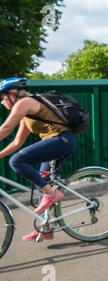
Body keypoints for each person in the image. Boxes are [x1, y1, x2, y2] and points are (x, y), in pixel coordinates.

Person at [0, 77, 77, 241]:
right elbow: (16, 143)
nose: (2, 102)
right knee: (42, 183)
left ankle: (52, 194)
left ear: (13, 94)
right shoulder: (25, 114)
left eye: (3, 97)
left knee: (16, 161)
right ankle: (45, 229)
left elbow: (5, 129)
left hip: (61, 140)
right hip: (59, 143)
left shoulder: (25, 102)